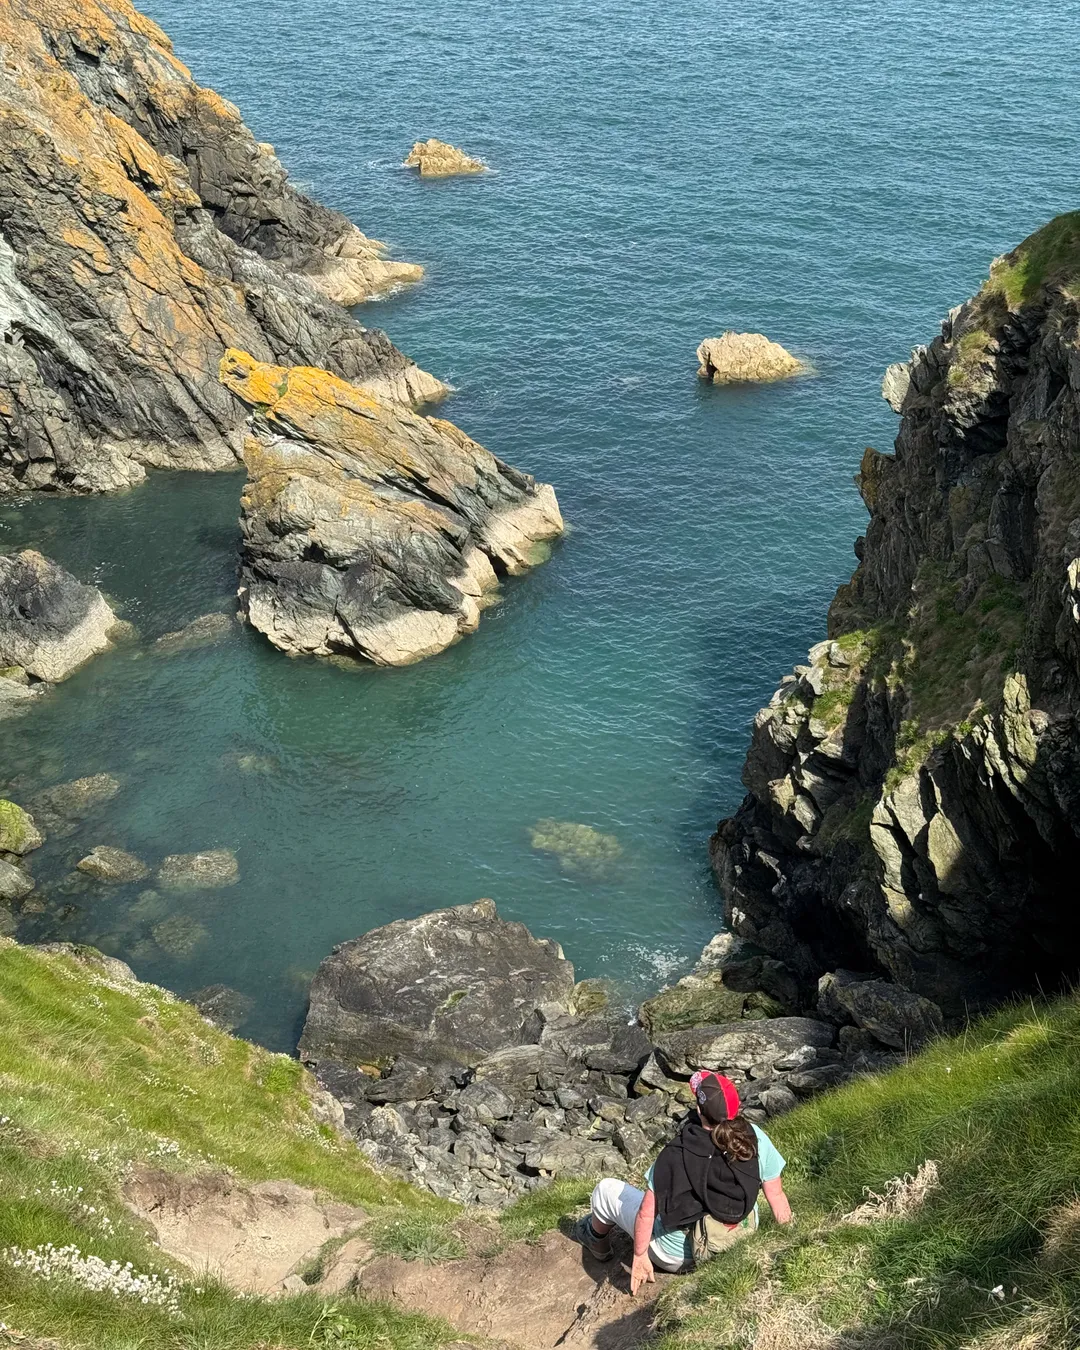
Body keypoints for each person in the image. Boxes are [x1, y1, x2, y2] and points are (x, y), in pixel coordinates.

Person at [571, 1070, 793, 1292]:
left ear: (698, 1110)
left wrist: (639, 1255)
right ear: (737, 1107)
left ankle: (595, 1239)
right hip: (738, 1236)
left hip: (679, 1256)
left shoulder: (677, 1152)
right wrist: (790, 1236)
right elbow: (775, 1195)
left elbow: (646, 1213)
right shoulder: (754, 1136)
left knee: (605, 1190)